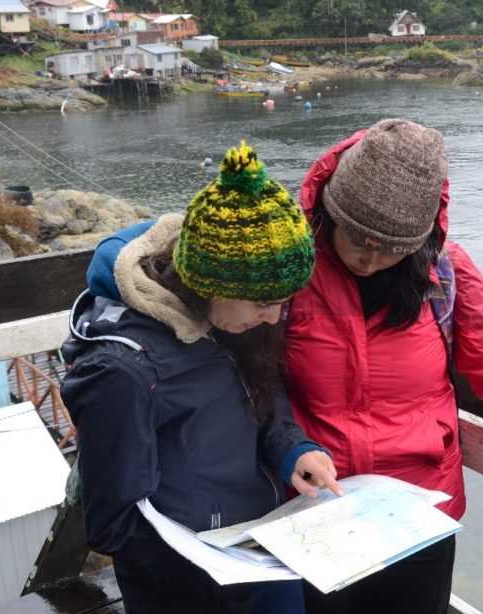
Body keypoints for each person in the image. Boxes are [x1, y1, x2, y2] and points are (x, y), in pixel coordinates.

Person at [87, 120, 483, 614]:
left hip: (420, 519)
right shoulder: (284, 268)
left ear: (424, 238)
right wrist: (290, 449)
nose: (369, 257)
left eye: (392, 247)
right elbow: (240, 358)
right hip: (311, 515)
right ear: (331, 206)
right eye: (356, 236)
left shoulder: (446, 277)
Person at [60, 140, 341, 614]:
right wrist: (213, 564)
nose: (274, 318)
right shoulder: (122, 371)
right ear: (208, 285)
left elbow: (263, 392)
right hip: (191, 592)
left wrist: (292, 446)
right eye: (262, 303)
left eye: (283, 301)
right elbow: (111, 522)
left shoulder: (230, 321)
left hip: (263, 557)